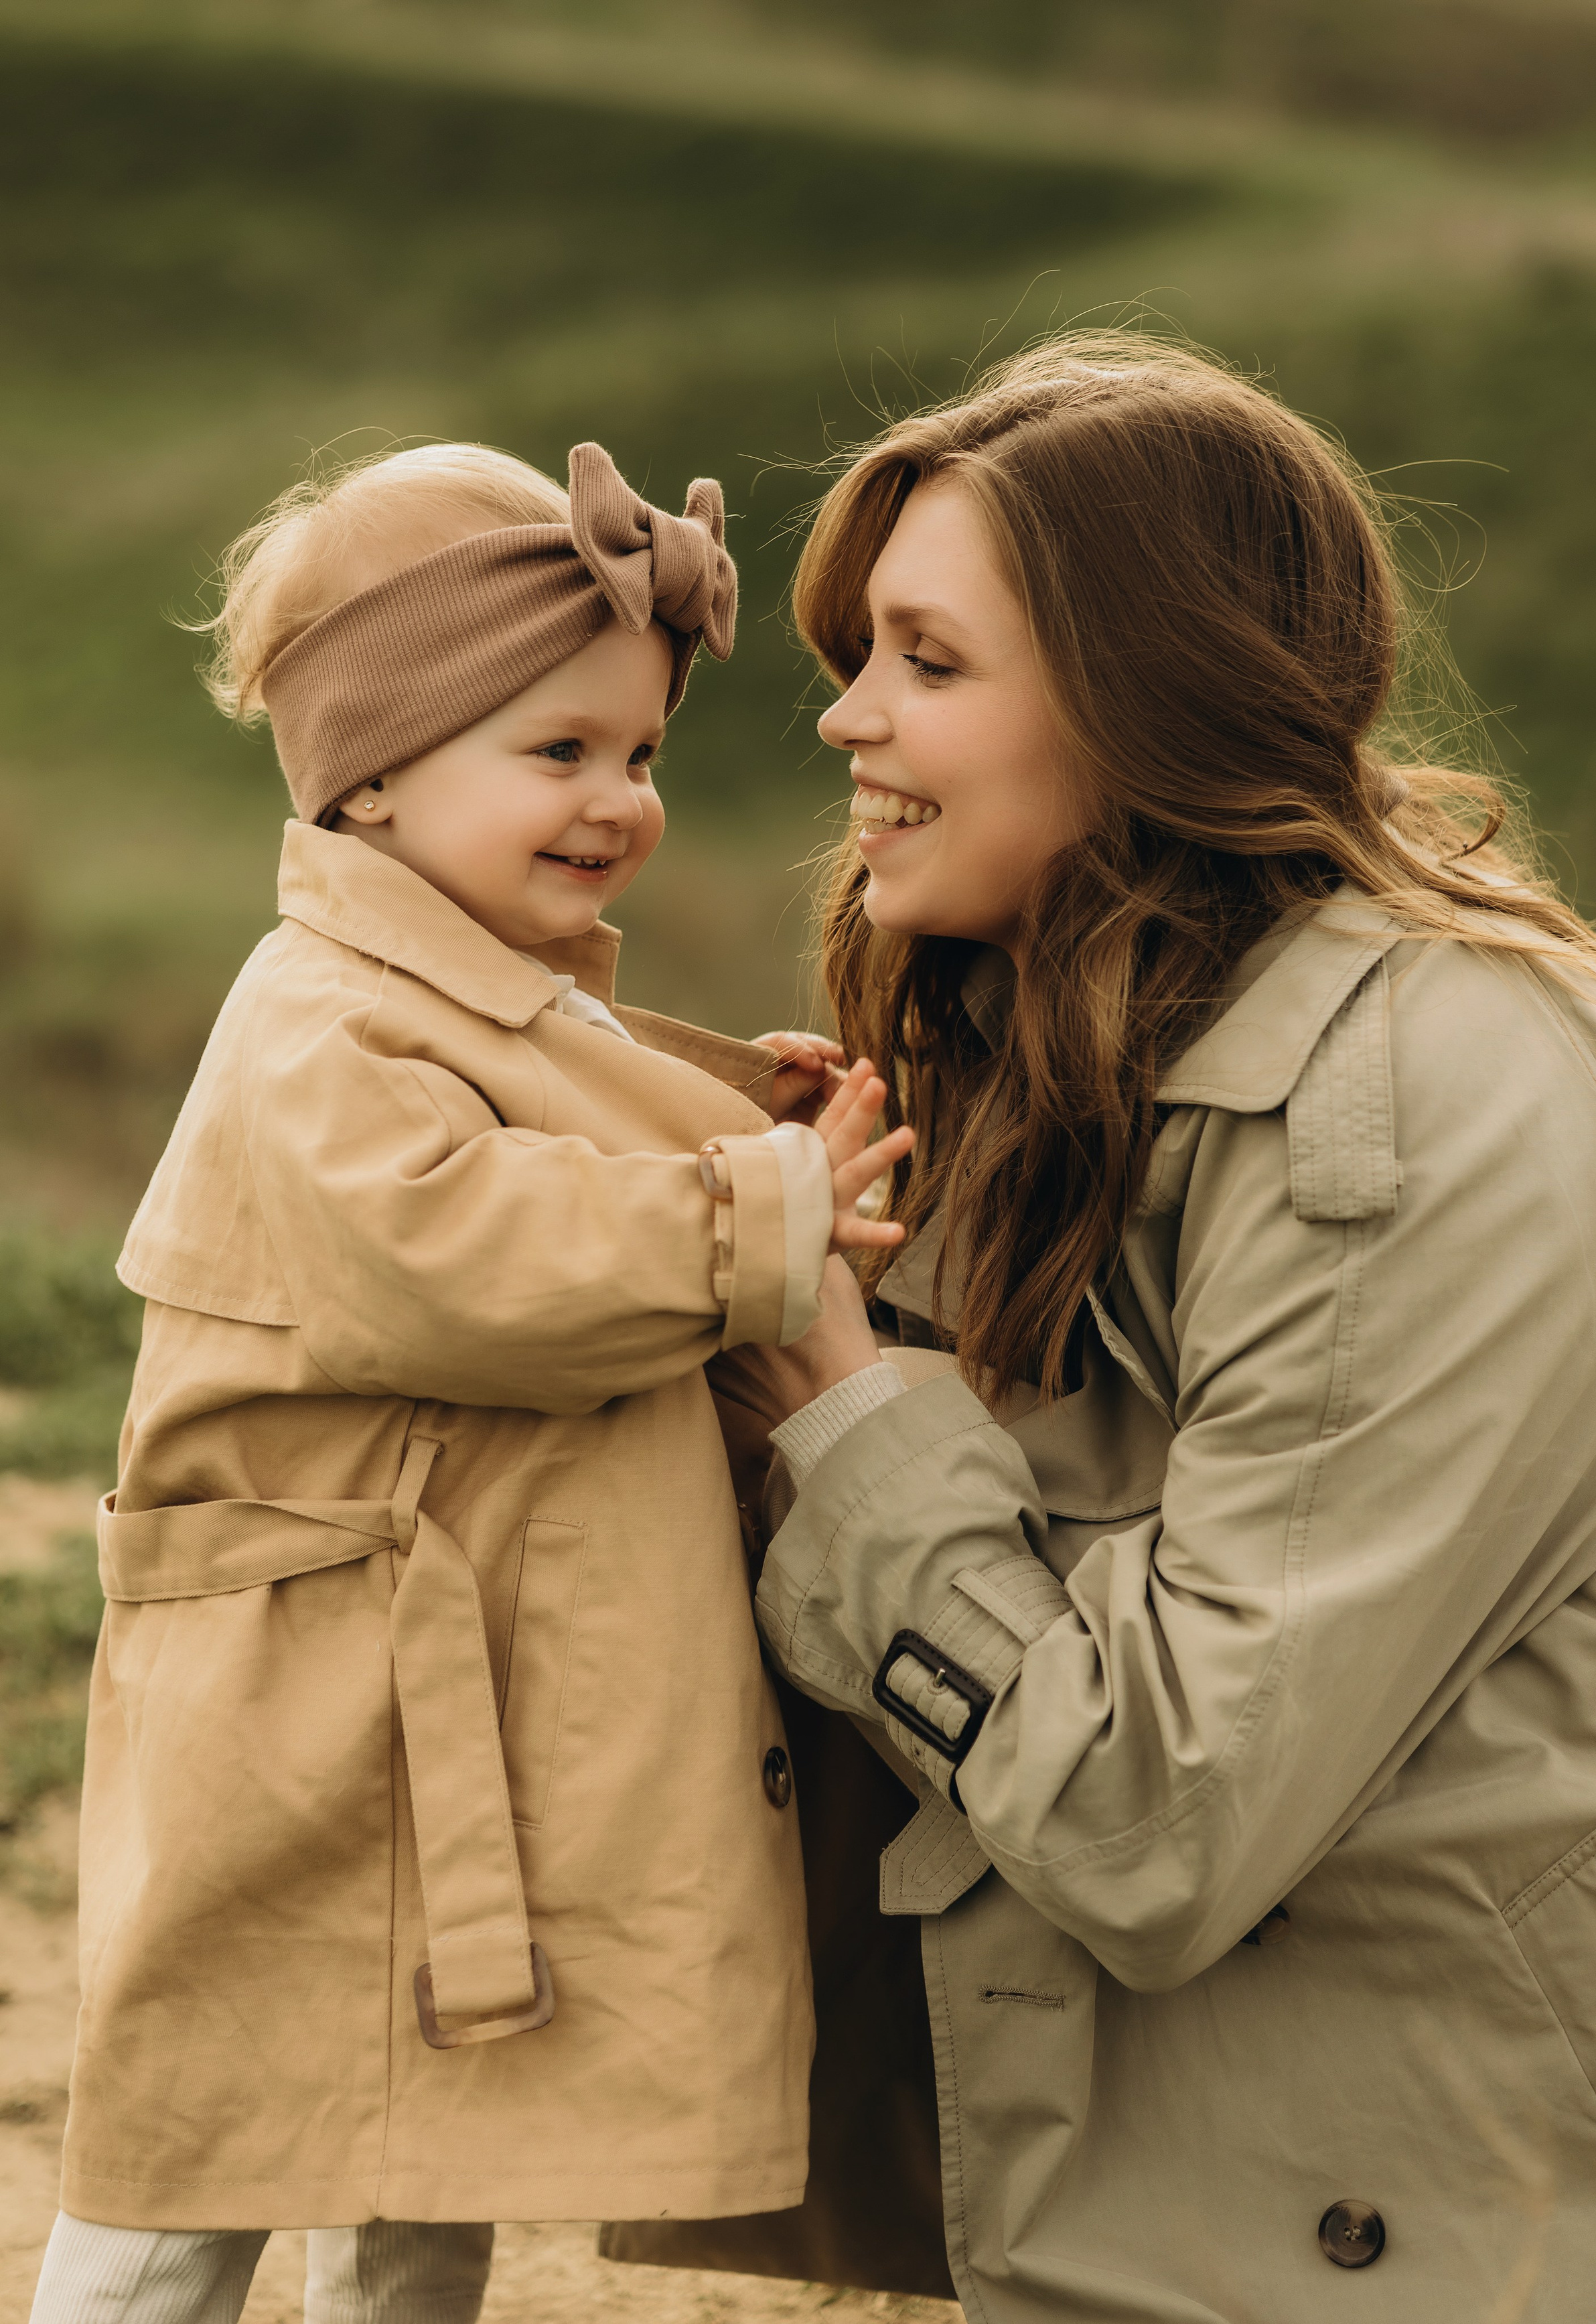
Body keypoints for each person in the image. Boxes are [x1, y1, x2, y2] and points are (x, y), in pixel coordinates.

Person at [707, 333, 1596, 2321]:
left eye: (928, 659)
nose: (846, 721)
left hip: (1460, 2250)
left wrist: (840, 1400)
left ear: (1142, 694)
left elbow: (1159, 1816)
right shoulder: (1157, 1048)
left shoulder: (1423, 1118)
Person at [29, 439, 912, 2324]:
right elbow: (459, 1254)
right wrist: (756, 1213)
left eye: (642, 755)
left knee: (431, 2145)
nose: (616, 803)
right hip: (313, 1695)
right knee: (208, 2121)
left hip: (426, 1698)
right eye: (556, 752)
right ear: (370, 771)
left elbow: (570, 1125)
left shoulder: (471, 984)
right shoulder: (313, 1020)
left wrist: (765, 1147)